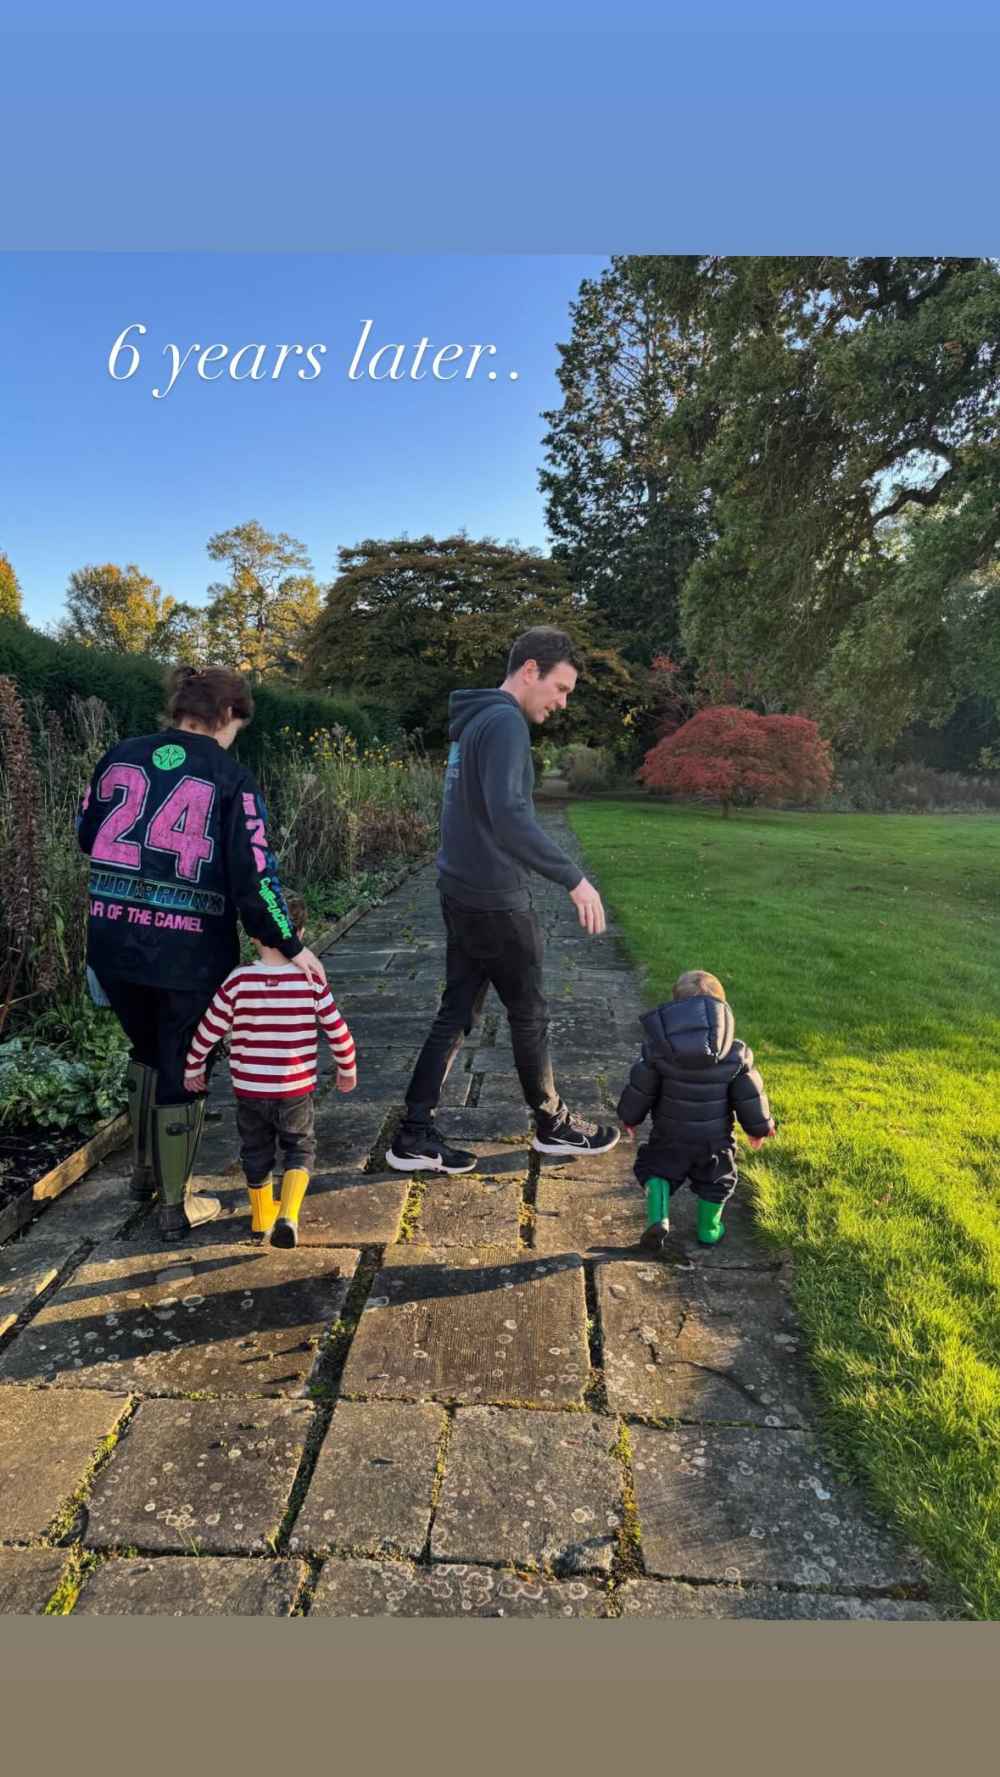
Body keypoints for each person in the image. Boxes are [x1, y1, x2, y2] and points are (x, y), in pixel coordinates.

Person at [76, 665, 327, 1239]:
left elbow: (87, 834)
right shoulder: (231, 777)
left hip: (112, 937)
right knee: (183, 1062)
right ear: (228, 716)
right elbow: (255, 875)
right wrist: (289, 944)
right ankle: (174, 1203)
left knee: (143, 1048)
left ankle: (143, 1175)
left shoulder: (119, 755)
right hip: (187, 952)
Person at [386, 626, 620, 1175]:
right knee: (529, 1012)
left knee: (457, 1011)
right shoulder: (505, 722)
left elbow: (480, 814)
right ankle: (553, 1124)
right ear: (531, 670)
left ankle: (414, 1133)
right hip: (492, 897)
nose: (562, 703)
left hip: (461, 888)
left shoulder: (477, 723)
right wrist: (573, 878)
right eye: (560, 688)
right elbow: (510, 817)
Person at [183, 890, 356, 1248]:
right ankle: (288, 1215)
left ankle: (261, 1219)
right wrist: (346, 1067)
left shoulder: (238, 980)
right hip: (294, 1088)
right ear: (301, 935)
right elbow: (337, 1029)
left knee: (255, 1151)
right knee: (299, 1148)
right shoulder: (310, 980)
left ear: (252, 935)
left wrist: (193, 1066)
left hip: (249, 1090)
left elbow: (209, 1028)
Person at [617, 969, 775, 1253]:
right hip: (714, 1140)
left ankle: (658, 1217)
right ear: (722, 1011)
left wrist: (630, 1117)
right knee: (718, 1180)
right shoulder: (736, 1054)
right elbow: (749, 1095)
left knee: (655, 1169)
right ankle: (709, 1229)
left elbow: (642, 1088)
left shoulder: (658, 1050)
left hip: (669, 1135)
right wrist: (759, 1128)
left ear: (676, 1009)